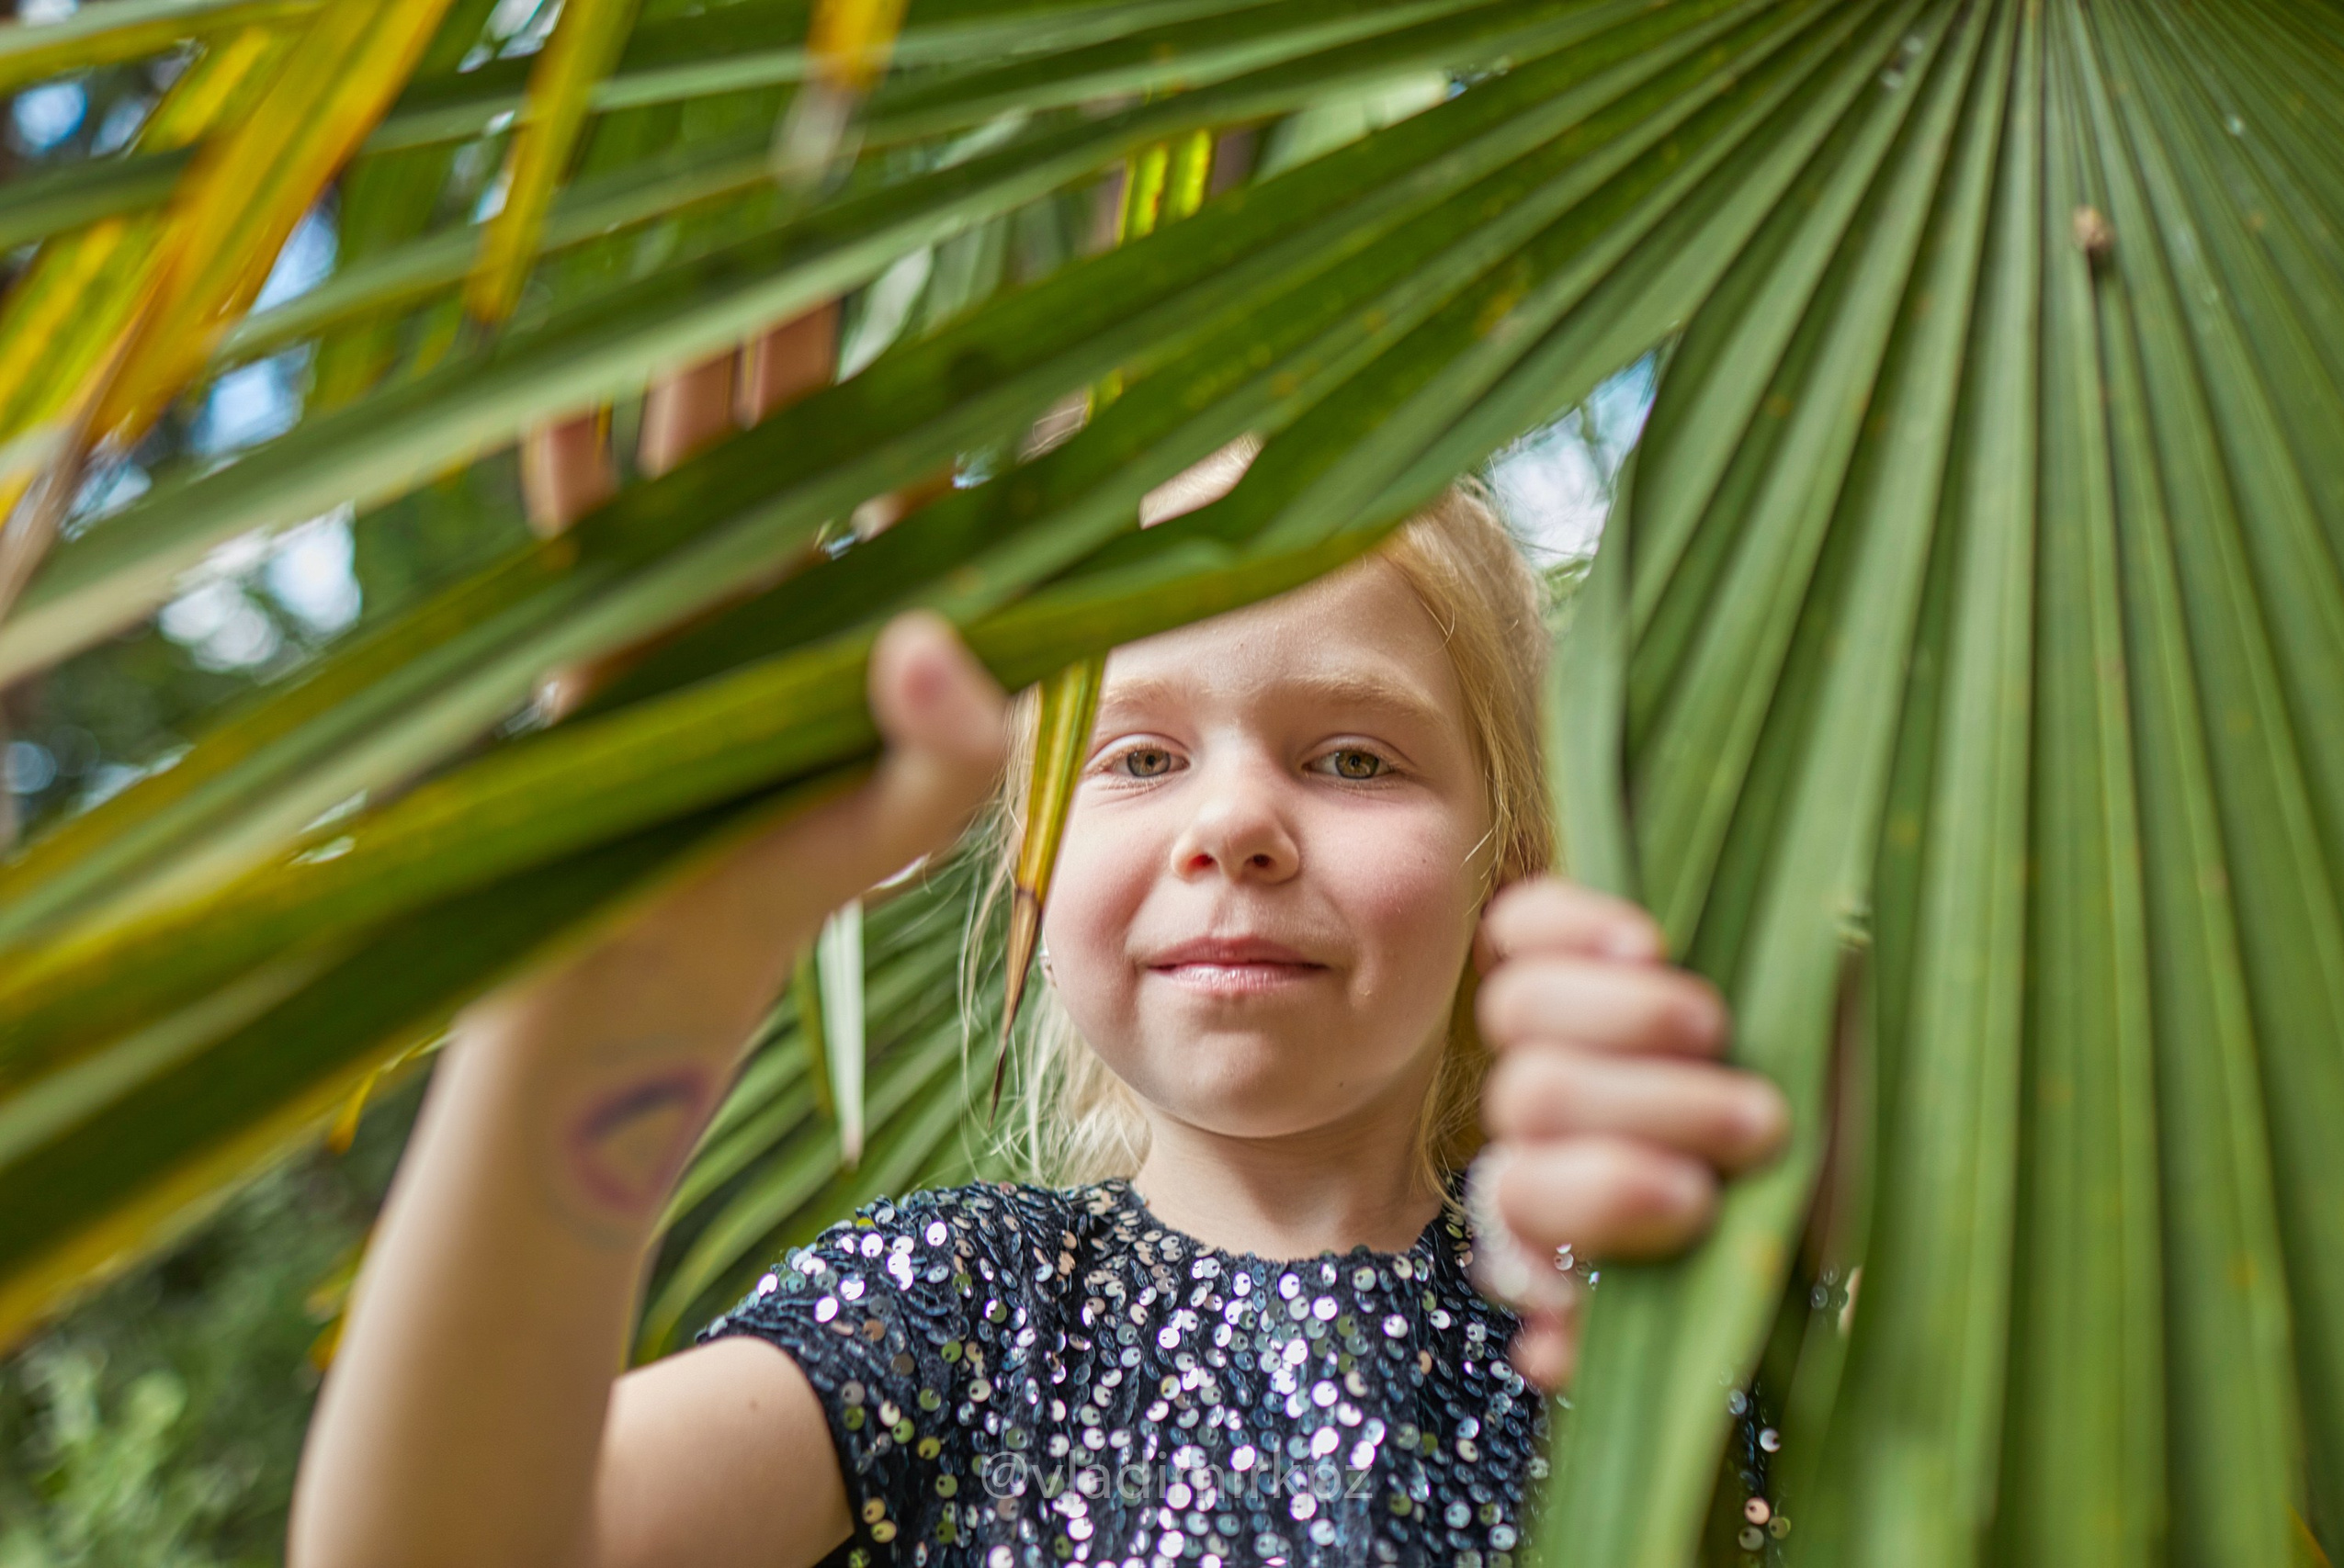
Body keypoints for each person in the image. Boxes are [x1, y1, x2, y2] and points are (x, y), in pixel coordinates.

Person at [287, 453, 1788, 1568]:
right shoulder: (966, 1306)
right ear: (1034, 872)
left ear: (1507, 870)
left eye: (1351, 759)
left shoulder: (1643, 1316)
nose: (1236, 824)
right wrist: (589, 1002)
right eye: (1137, 758)